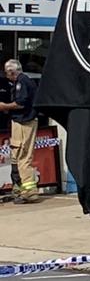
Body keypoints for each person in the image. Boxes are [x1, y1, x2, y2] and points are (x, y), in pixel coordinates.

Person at [1, 59, 38, 202]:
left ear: (12, 71)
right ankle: (19, 187)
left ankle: (29, 192)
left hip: (24, 123)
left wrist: (4, 106)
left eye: (6, 72)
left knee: (23, 157)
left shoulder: (22, 82)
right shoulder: (23, 81)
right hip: (20, 123)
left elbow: (21, 103)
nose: (6, 75)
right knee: (16, 156)